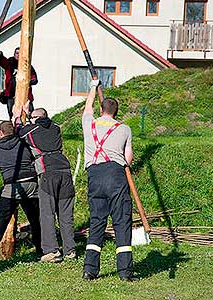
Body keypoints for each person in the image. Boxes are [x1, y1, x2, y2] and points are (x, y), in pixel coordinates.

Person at [81, 79, 137, 282]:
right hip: (116, 176)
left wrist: (93, 87)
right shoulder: (124, 129)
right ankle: (125, 272)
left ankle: (90, 270)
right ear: (116, 111)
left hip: (94, 176)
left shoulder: (89, 124)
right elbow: (127, 159)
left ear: (101, 108)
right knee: (122, 222)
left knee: (97, 222)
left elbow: (87, 107)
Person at [13, 107, 76, 263]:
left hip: (48, 171)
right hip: (65, 170)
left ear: (35, 119)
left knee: (47, 213)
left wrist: (19, 117)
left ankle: (52, 251)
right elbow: (40, 123)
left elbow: (19, 131)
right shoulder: (55, 127)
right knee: (65, 214)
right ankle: (70, 251)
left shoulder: (32, 128)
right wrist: (30, 115)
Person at [0, 121, 42, 255]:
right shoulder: (23, 143)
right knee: (36, 219)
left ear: (0, 132)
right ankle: (41, 248)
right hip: (31, 183)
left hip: (11, 185)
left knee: (0, 220)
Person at [0, 47, 38, 119]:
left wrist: (28, 82)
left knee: (30, 113)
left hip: (25, 95)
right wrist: (0, 55)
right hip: (11, 95)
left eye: (20, 53)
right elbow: (3, 62)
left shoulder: (27, 66)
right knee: (12, 114)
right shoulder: (10, 63)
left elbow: (34, 79)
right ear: (14, 54)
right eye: (17, 53)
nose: (18, 55)